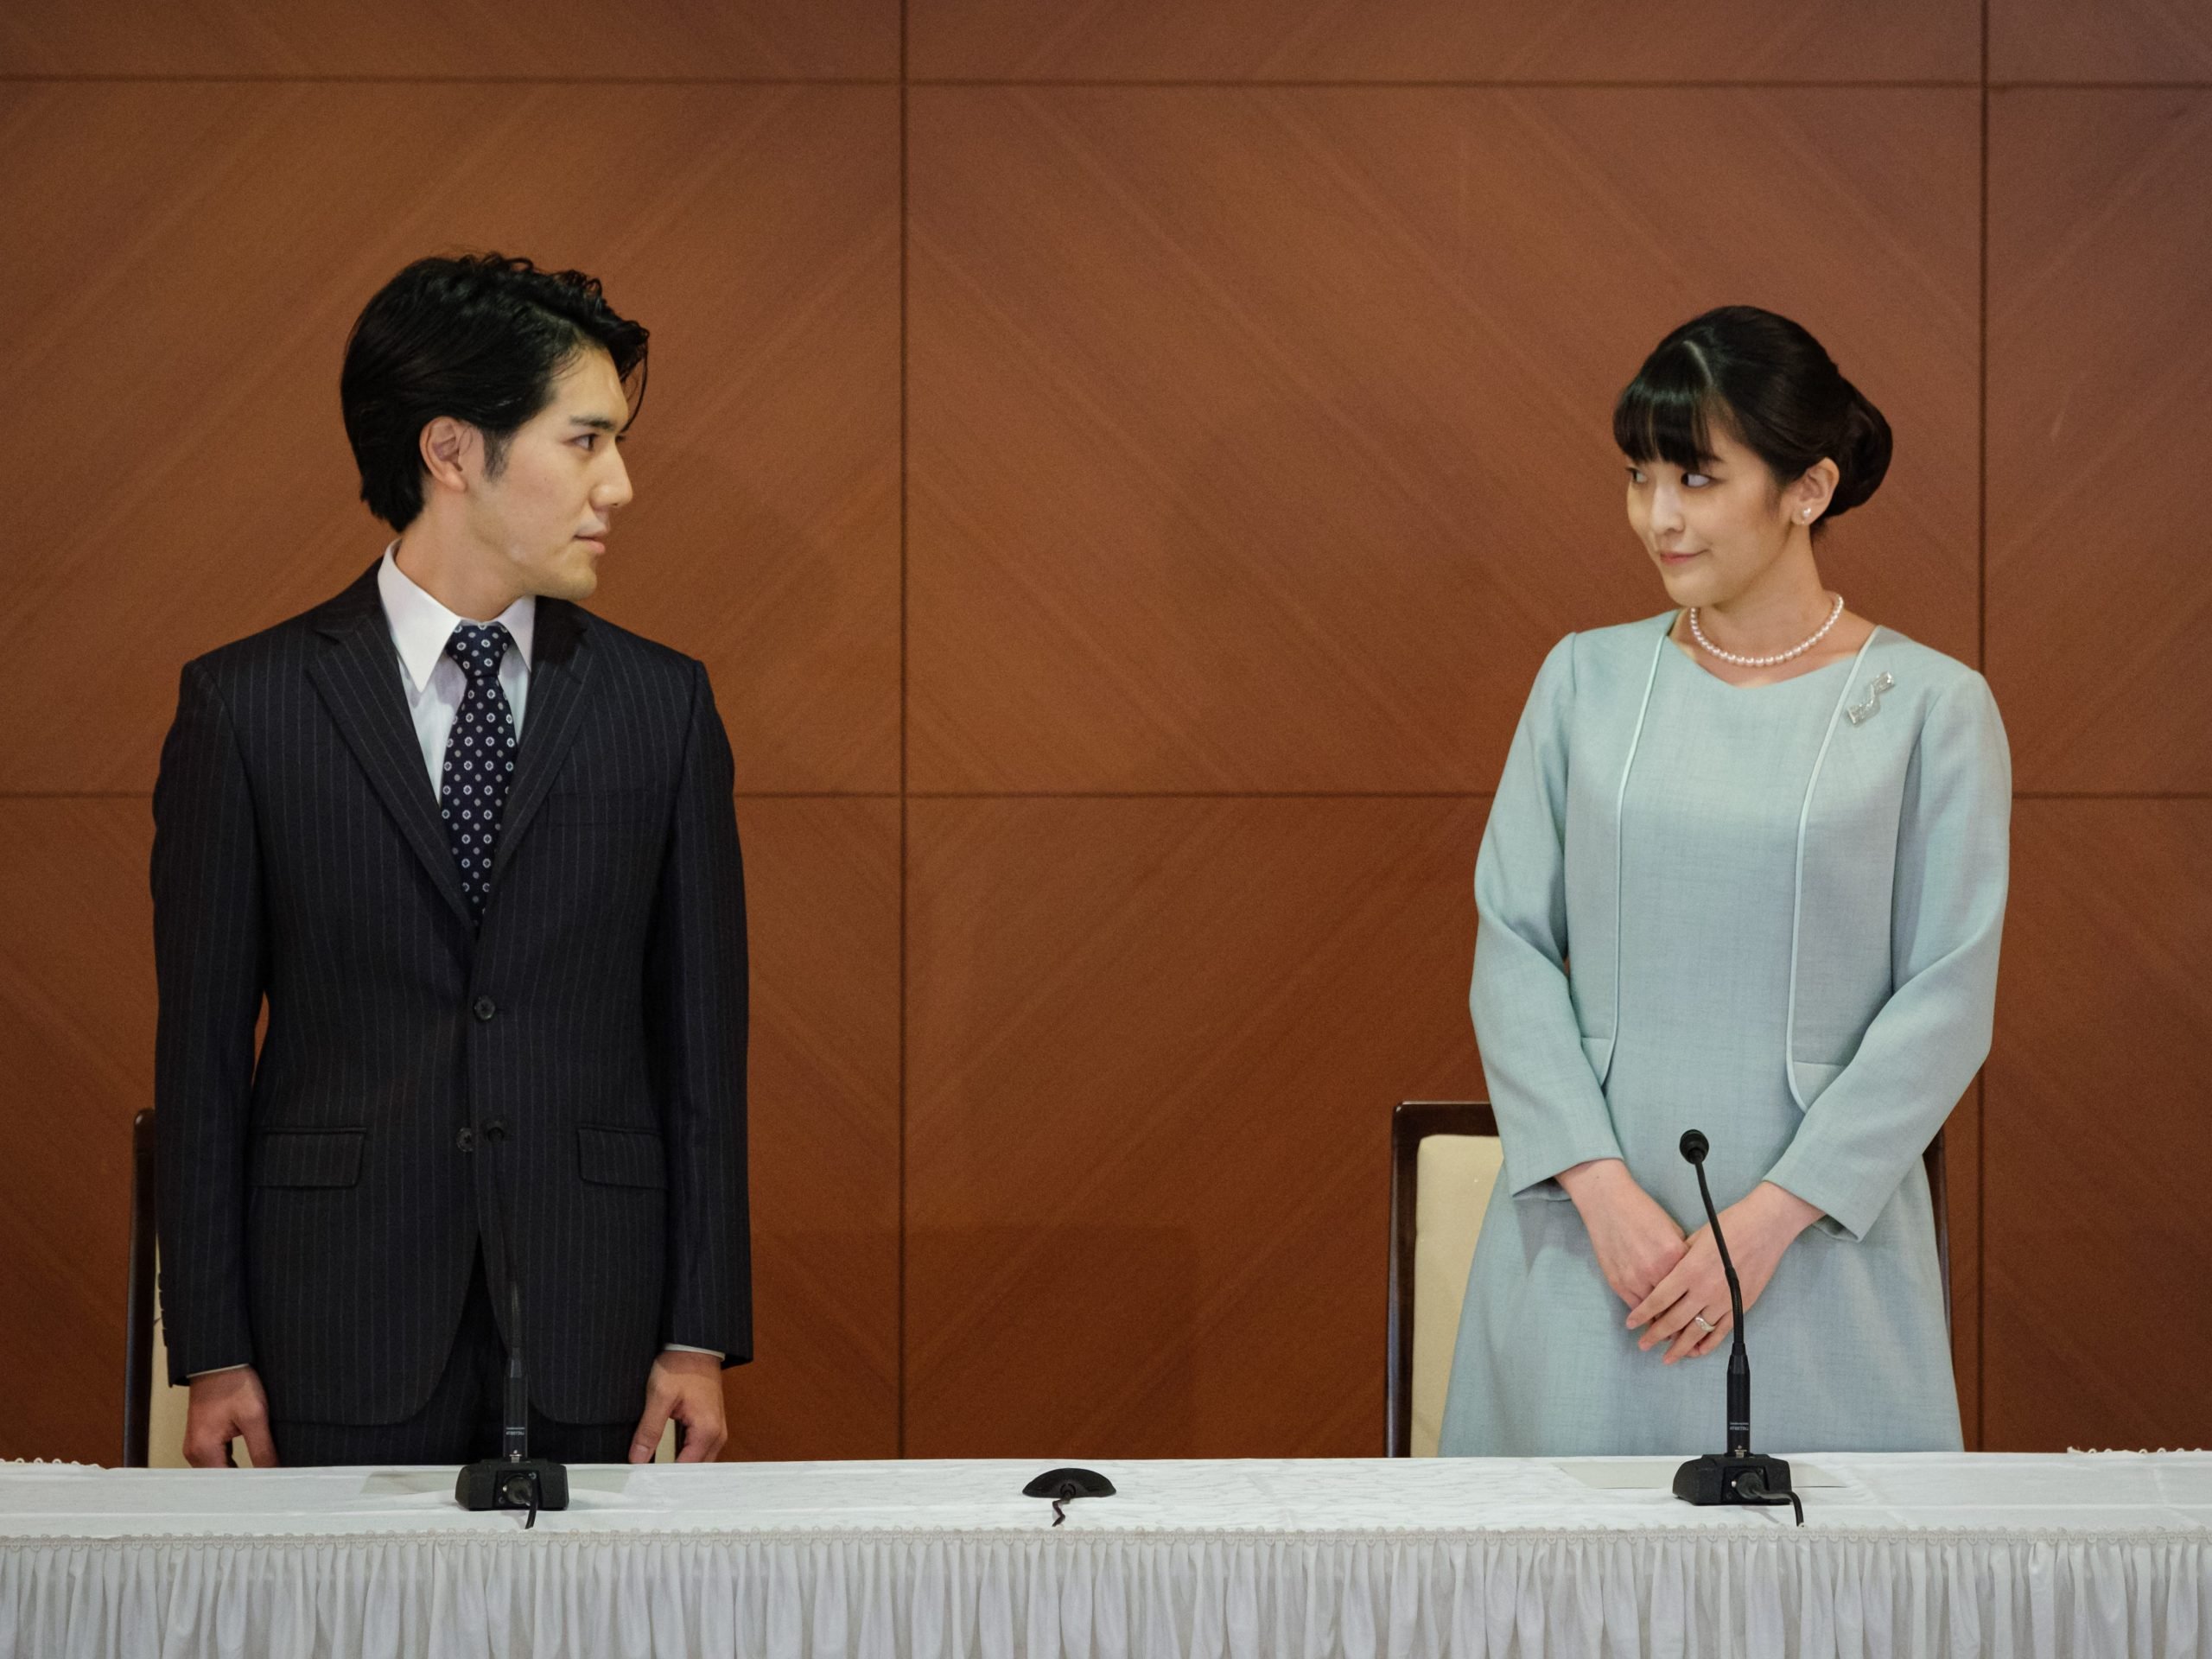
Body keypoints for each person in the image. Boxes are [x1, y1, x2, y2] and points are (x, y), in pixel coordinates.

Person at [153, 254, 750, 1467]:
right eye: (585, 441)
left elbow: (701, 1051)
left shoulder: (663, 707)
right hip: (330, 1323)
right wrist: (212, 1352)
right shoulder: (248, 707)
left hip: (600, 1323)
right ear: (452, 451)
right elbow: (202, 1057)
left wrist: (699, 1335)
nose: (619, 486)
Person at [1439, 305, 2008, 1456]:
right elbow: (1509, 942)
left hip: (1818, 1253)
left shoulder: (1935, 710)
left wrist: (1764, 1226)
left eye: (1697, 477)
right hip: (1591, 1246)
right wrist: (1601, 1192)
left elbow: (1946, 998)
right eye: (1640, 475)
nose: (1660, 516)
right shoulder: (1582, 682)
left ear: (1807, 489)